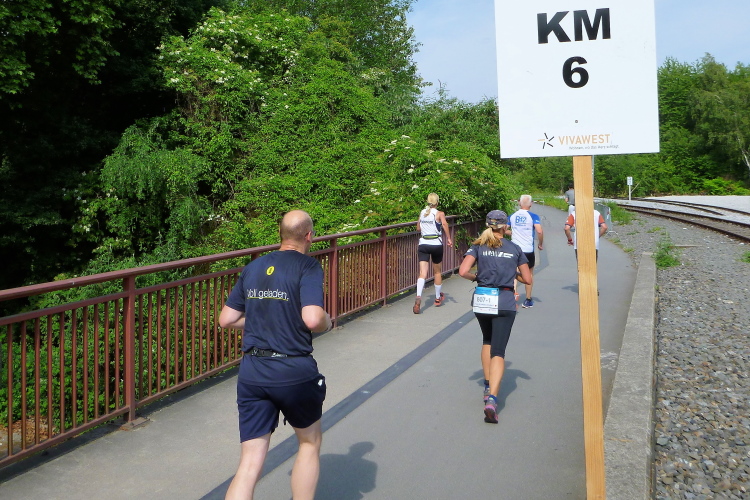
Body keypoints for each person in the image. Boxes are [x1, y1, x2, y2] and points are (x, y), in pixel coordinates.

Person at [219, 210, 331, 500]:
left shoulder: (254, 267)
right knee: (309, 443)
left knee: (249, 463)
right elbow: (312, 319)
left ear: (281, 234)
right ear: (309, 236)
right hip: (293, 370)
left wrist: (260, 320)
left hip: (253, 370)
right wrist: (328, 321)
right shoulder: (308, 266)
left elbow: (227, 319)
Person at [458, 210, 532, 424]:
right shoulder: (514, 248)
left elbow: (462, 271)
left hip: (483, 299)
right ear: (505, 226)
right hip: (505, 300)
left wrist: (477, 277)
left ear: (488, 225)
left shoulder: (478, 246)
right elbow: (527, 279)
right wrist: (512, 273)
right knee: (498, 351)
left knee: (487, 340)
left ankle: (487, 385)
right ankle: (492, 399)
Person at [413, 193, 453, 314]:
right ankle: (437, 297)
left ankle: (418, 296)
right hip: (436, 244)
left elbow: (418, 228)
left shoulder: (422, 212)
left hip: (423, 244)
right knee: (437, 272)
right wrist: (449, 239)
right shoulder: (439, 213)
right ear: (437, 202)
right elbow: (444, 224)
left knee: (422, 273)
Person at [508, 194, 544, 308]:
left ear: (519, 202)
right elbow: (539, 231)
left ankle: (513, 294)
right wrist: (540, 243)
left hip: (514, 249)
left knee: (514, 273)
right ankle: (528, 299)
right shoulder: (533, 216)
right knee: (529, 274)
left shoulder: (512, 216)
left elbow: (504, 229)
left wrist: (513, 233)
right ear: (531, 204)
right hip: (528, 249)